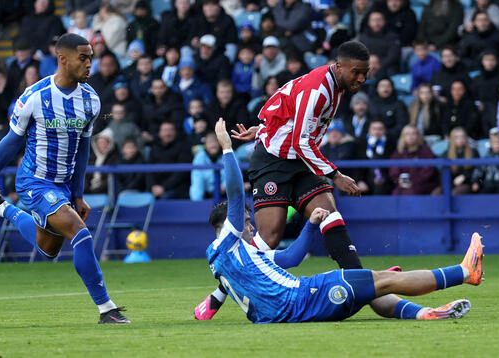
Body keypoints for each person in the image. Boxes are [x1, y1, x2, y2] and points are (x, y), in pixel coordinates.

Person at [211, 41, 422, 321]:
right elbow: (300, 139)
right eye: (356, 72)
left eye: (365, 72)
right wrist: (336, 174)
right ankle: (222, 289)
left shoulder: (336, 87)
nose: (361, 78)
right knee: (270, 237)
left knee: (329, 213)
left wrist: (264, 127)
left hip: (300, 159)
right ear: (338, 67)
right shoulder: (319, 89)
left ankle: (357, 276)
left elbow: (288, 105)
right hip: (274, 162)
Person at [205, 118, 483, 323]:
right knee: (384, 280)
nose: (250, 227)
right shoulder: (230, 240)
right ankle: (464, 272)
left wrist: (312, 225)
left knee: (374, 287)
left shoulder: (228, 260)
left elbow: (291, 258)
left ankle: (423, 313)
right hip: (307, 298)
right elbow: (235, 192)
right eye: (245, 221)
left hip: (299, 305)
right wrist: (227, 150)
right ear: (226, 227)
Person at [0, 34, 130, 324]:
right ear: (63, 59)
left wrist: (78, 194)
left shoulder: (91, 100)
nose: (89, 63)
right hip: (33, 181)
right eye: (83, 57)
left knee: (48, 249)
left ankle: (1, 208)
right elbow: (10, 142)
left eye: (91, 57)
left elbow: (83, 150)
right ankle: (106, 308)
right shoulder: (35, 96)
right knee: (79, 231)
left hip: (63, 186)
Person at [146, 121, 193, 199]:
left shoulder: (184, 147)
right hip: (155, 188)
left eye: (170, 130)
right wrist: (152, 186)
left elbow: (181, 173)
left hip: (176, 188)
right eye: (164, 130)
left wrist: (164, 187)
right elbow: (148, 170)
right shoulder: (154, 148)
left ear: (175, 132)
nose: (167, 133)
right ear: (160, 133)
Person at [389, 125, 440, 195]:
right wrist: (399, 180)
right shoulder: (399, 153)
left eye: (413, 134)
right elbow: (394, 170)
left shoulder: (426, 151)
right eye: (407, 134)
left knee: (411, 192)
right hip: (403, 184)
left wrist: (413, 182)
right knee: (396, 193)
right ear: (403, 137)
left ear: (418, 136)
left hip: (424, 184)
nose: (410, 136)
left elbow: (428, 171)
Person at [356, 119, 395, 195]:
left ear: (385, 130)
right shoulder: (362, 144)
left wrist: (385, 178)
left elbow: (393, 166)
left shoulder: (391, 144)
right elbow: (357, 166)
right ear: (369, 130)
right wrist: (359, 180)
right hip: (366, 179)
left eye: (380, 129)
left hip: (386, 180)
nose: (377, 132)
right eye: (374, 129)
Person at [356, 10, 401, 75]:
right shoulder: (363, 37)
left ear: (384, 21)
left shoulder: (392, 36)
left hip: (386, 67)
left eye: (379, 20)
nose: (376, 23)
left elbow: (394, 56)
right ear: (369, 22)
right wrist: (369, 63)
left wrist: (379, 64)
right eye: (373, 20)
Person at [189, 132, 226, 201]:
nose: (213, 145)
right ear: (205, 145)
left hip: (227, 194)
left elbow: (233, 175)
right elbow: (197, 182)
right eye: (209, 143)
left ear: (220, 144)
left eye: (215, 142)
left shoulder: (228, 154)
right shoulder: (199, 158)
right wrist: (197, 203)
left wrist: (225, 186)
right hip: (207, 194)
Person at [86, 128, 119, 194]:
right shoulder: (90, 158)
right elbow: (85, 177)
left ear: (110, 144)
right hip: (88, 191)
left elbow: (110, 180)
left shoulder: (114, 158)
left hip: (104, 191)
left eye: (105, 143)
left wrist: (96, 190)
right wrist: (86, 189)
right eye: (100, 143)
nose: (102, 145)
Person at [446, 127, 478, 195]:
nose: (460, 140)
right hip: (451, 183)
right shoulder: (446, 153)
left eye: (462, 137)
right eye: (457, 137)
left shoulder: (473, 152)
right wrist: (449, 185)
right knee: (437, 193)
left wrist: (465, 177)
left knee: (455, 193)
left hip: (468, 183)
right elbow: (443, 173)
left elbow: (477, 170)